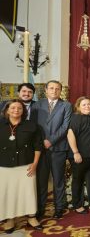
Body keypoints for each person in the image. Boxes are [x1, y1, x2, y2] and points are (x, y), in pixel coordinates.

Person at [0, 100, 43, 233]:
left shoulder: (32, 126)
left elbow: (37, 146)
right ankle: (10, 219)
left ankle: (31, 217)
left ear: (23, 111)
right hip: (4, 165)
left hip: (26, 164)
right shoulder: (0, 125)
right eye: (12, 108)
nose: (16, 110)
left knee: (28, 193)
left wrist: (35, 163)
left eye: (19, 108)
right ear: (7, 110)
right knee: (8, 193)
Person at [32, 80, 72, 219]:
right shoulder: (37, 105)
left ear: (61, 91)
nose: (54, 91)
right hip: (41, 149)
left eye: (57, 89)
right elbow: (34, 126)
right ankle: (40, 209)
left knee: (58, 180)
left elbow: (65, 126)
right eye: (51, 88)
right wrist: (42, 142)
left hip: (58, 148)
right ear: (46, 89)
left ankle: (59, 207)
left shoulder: (66, 105)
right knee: (41, 181)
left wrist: (51, 140)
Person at [67, 96, 90, 214]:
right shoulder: (76, 118)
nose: (87, 106)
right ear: (78, 107)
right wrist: (75, 152)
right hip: (79, 155)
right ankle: (77, 204)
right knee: (78, 180)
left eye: (89, 104)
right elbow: (70, 134)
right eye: (83, 105)